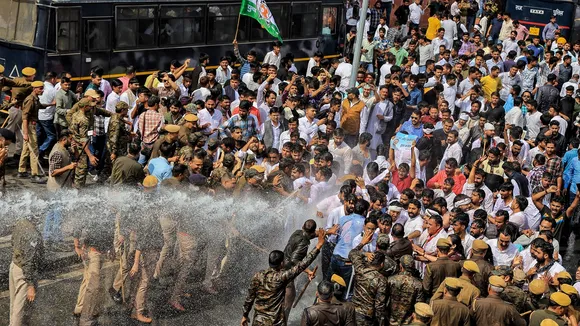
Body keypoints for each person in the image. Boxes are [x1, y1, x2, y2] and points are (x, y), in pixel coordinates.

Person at [241, 228, 325, 326]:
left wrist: (245, 315)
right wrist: (318, 246)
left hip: (259, 321)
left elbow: (249, 298)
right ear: (281, 264)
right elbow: (302, 264)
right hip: (276, 322)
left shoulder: (258, 276)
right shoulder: (282, 277)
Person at [9, 215, 44, 326]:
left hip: (15, 266)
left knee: (14, 305)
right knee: (20, 308)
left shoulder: (20, 222)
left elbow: (13, 242)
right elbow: (29, 261)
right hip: (24, 272)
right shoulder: (33, 234)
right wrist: (30, 285)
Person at [282, 220, 319, 319]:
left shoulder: (297, 232)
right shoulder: (304, 243)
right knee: (289, 296)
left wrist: (326, 233)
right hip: (287, 272)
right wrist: (308, 272)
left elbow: (311, 235)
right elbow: (295, 260)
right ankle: (282, 320)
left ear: (303, 226)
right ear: (312, 231)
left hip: (282, 266)